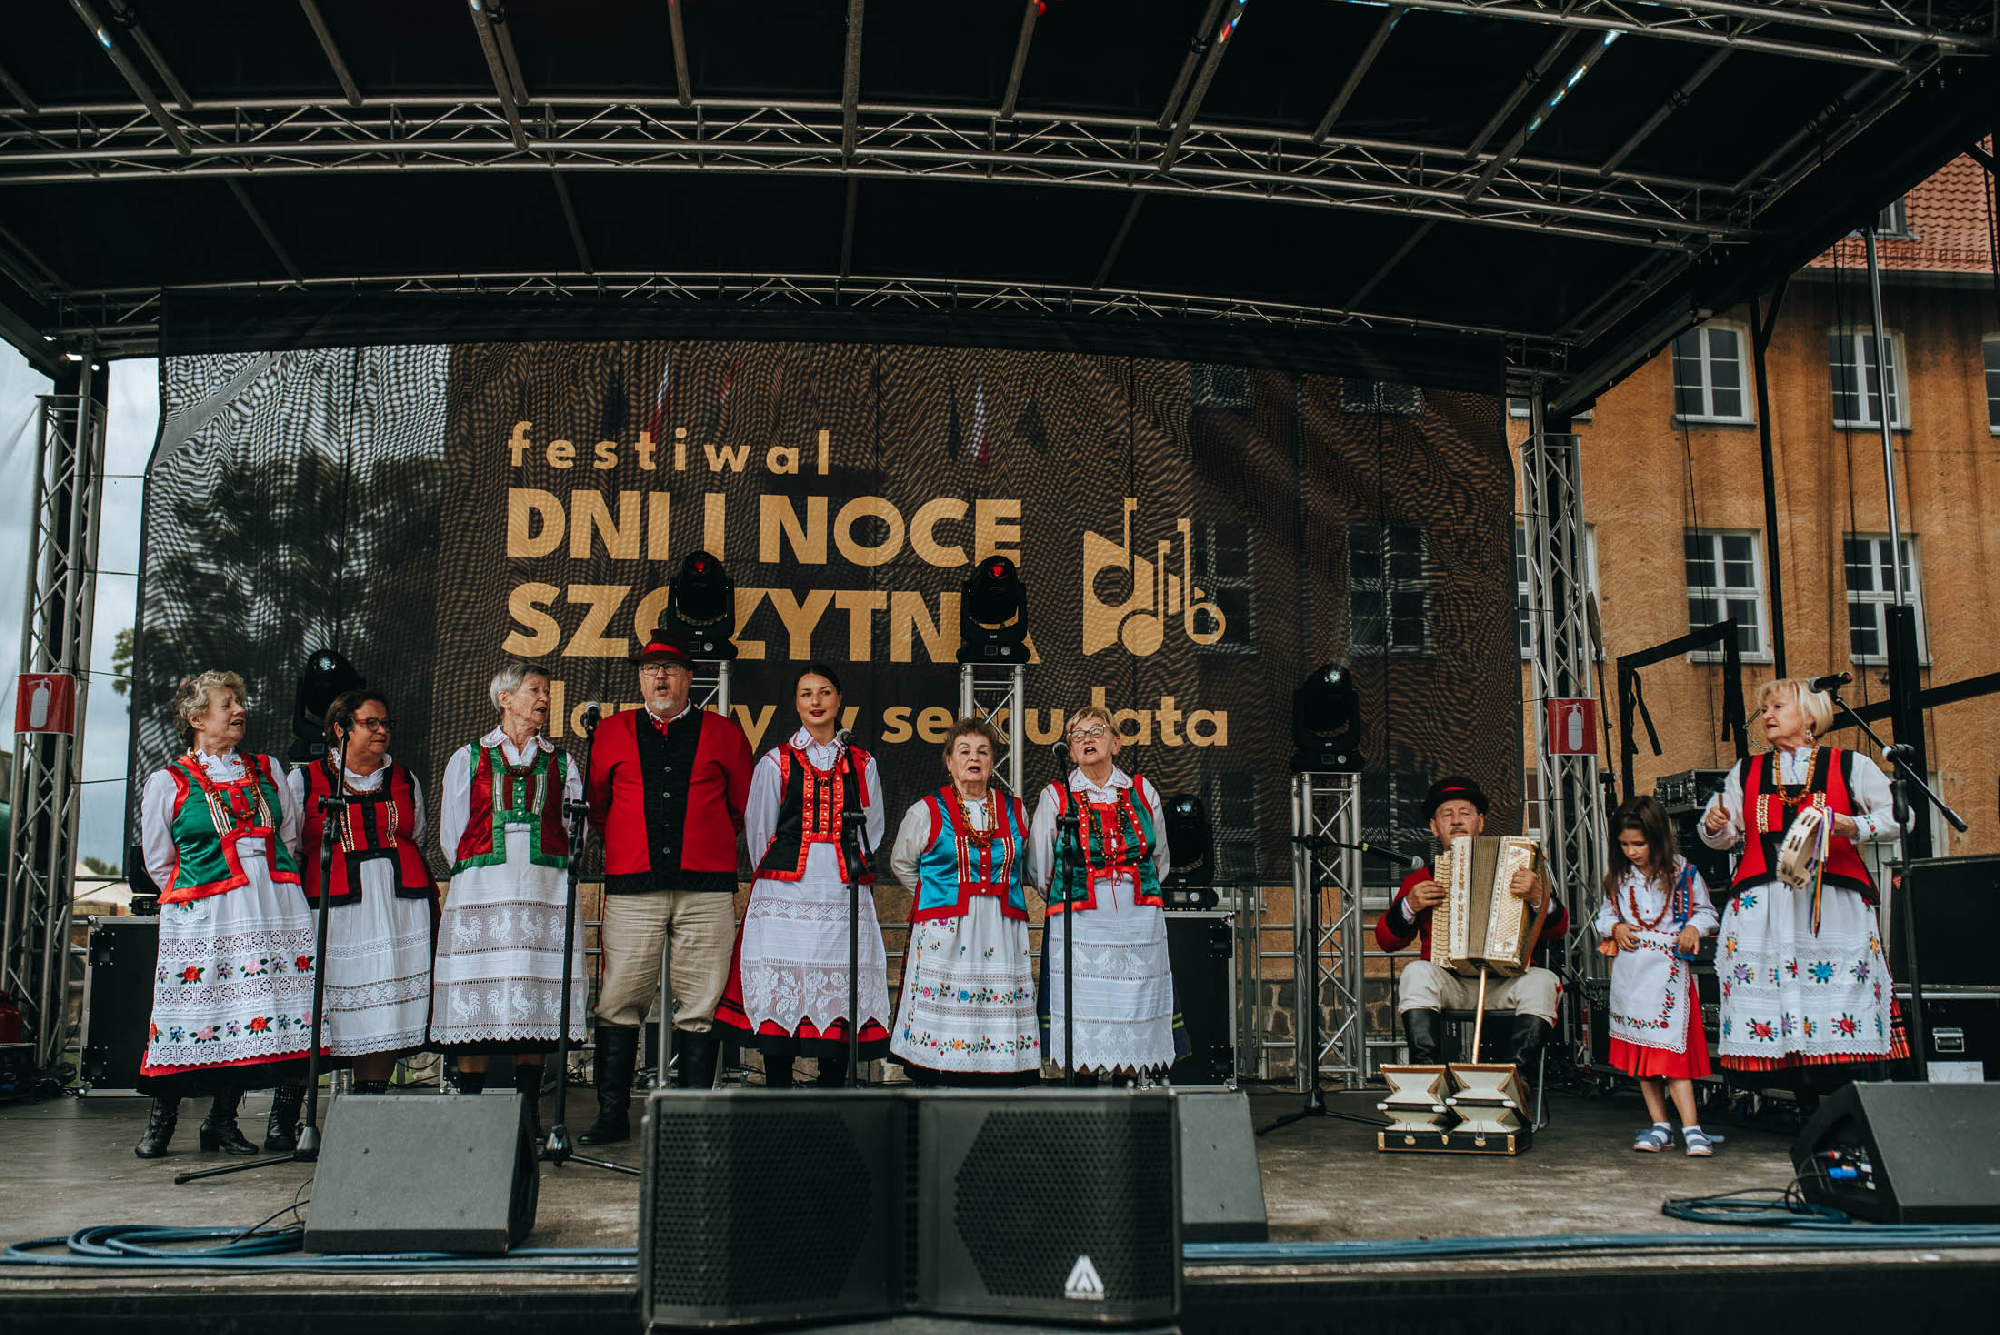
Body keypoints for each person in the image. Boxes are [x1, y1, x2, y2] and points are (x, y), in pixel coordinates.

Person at [134, 670, 317, 1159]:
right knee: (194, 1009)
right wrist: (195, 898)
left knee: (247, 1014)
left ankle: (221, 1121)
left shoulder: (267, 770)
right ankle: (162, 1121)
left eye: (239, 702)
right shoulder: (168, 781)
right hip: (206, 907)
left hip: (271, 904)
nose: (239, 711)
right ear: (196, 718)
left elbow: (289, 837)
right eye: (227, 704)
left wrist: (271, 885)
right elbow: (158, 860)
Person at [580, 632, 752, 1143]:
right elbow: (597, 806)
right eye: (651, 669)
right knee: (619, 997)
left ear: (689, 678)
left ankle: (688, 1118)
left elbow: (741, 807)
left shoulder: (724, 733)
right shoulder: (611, 732)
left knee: (700, 1004)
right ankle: (612, 1115)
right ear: (640, 679)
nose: (660, 677)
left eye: (671, 669)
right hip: (632, 886)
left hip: (706, 888)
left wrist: (701, 839)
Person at [1699, 677, 1905, 1092]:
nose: (1767, 716)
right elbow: (1721, 836)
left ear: (1809, 715)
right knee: (1772, 992)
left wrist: (1852, 825)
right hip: (1765, 904)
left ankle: (1842, 1083)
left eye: (1778, 707)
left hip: (1832, 902)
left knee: (1837, 990)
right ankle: (1796, 1089)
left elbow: (1902, 818)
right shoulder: (1746, 771)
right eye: (1765, 710)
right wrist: (1714, 825)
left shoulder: (1849, 764)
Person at [271, 690, 437, 1148]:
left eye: (386, 724)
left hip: (398, 910)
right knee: (317, 1009)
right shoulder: (304, 779)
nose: (382, 731)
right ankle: (286, 1118)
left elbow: (418, 835)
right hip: (331, 908)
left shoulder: (404, 778)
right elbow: (289, 845)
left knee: (385, 1009)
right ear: (340, 728)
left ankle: (367, 1115)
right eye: (371, 723)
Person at [715, 663, 890, 1086]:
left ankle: (831, 1086)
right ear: (795, 703)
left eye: (824, 692)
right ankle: (778, 1085)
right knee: (784, 982)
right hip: (785, 892)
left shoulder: (861, 761)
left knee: (839, 980)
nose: (816, 701)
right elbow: (760, 830)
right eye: (807, 693)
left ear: (839, 700)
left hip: (841, 888)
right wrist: (783, 865)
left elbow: (873, 828)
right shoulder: (775, 761)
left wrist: (845, 861)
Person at [432, 662, 586, 1139]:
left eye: (546, 692)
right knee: (476, 989)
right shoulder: (468, 757)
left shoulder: (561, 762)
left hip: (544, 888)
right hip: (484, 886)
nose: (544, 699)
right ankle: (471, 1111)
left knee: (534, 989)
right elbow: (452, 833)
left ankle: (528, 1112)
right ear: (505, 698)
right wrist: (484, 868)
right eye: (534, 690)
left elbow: (575, 828)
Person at [1376, 777, 1568, 1083]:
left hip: (1506, 982)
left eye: (1464, 813)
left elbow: (1558, 931)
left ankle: (1515, 1081)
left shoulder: (1522, 870)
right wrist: (1408, 906)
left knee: (1543, 981)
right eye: (1446, 814)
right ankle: (1426, 1079)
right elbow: (1386, 941)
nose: (1456, 821)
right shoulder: (1420, 880)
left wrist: (1538, 897)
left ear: (1480, 822)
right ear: (1434, 827)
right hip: (1451, 984)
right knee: (1416, 973)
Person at [887, 719, 1040, 1085]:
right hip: (946, 928)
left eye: (983, 752)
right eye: (965, 751)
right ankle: (940, 1066)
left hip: (1000, 926)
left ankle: (997, 1069)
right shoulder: (926, 811)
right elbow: (901, 863)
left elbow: (1027, 865)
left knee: (994, 1000)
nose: (974, 758)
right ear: (949, 761)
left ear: (993, 762)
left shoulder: (1015, 810)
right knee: (947, 1004)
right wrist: (936, 894)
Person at [1028, 705, 1175, 1082]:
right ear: (1071, 749)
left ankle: (1128, 1088)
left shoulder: (1141, 790)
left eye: (1096, 731)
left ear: (1116, 743)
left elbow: (1159, 857)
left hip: (1137, 919)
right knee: (1082, 1008)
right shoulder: (1056, 796)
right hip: (1080, 921)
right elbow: (1041, 866)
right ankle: (1084, 1092)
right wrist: (1070, 894)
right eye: (1078, 735)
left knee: (1132, 1006)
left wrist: (1129, 888)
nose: (1087, 739)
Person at [1597, 796, 1719, 1155]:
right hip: (1633, 974)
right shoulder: (1619, 879)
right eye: (1624, 845)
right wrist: (1615, 927)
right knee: (1642, 1058)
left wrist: (1694, 928)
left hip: (1668, 974)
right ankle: (1660, 1125)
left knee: (1673, 1057)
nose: (1632, 852)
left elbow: (1707, 912)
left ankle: (1692, 1127)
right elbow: (1604, 915)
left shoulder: (1683, 873)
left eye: (1639, 843)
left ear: (1657, 838)